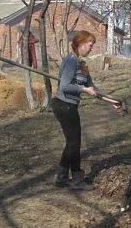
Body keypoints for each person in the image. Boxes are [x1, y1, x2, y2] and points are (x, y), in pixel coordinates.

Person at [51, 30, 121, 190]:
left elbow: (92, 88)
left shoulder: (82, 63)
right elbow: (64, 86)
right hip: (63, 105)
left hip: (70, 106)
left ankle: (62, 178)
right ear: (81, 44)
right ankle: (76, 179)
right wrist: (83, 90)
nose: (91, 48)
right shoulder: (71, 61)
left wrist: (111, 101)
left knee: (71, 143)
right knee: (74, 143)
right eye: (90, 45)